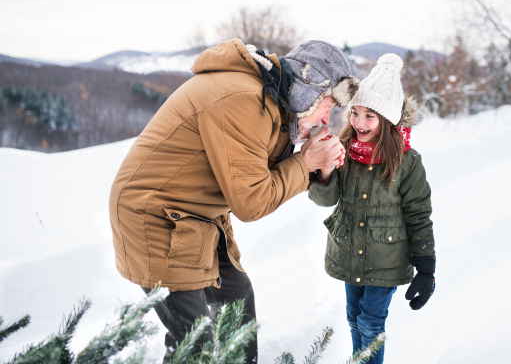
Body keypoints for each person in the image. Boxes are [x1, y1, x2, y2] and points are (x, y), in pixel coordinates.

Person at [109, 39, 360, 363]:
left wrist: (317, 167)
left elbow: (264, 169)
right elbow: (251, 202)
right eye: (328, 104)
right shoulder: (244, 99)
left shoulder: (274, 104)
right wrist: (306, 162)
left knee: (235, 298)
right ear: (308, 89)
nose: (327, 118)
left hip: (195, 216)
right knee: (192, 342)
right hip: (154, 217)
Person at [308, 54, 436, 364]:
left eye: (370, 116)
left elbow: (418, 212)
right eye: (356, 113)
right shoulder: (344, 149)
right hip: (350, 250)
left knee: (370, 322)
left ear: (388, 120)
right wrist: (324, 174)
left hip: (387, 259)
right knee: (354, 317)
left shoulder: (407, 161)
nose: (359, 123)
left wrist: (426, 265)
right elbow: (327, 199)